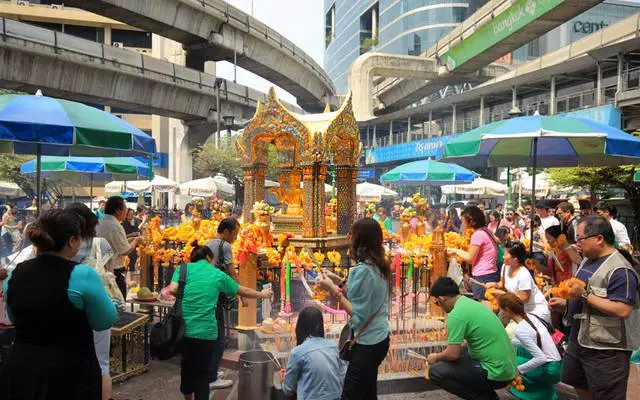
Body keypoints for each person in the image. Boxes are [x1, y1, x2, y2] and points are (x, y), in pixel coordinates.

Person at [1, 209, 117, 400]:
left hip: (20, 369)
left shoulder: (16, 273)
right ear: (72, 241)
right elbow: (105, 320)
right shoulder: (83, 274)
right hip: (69, 374)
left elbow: (13, 317)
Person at [548, 216, 640, 400]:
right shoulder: (588, 261)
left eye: (580, 238)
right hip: (579, 339)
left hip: (605, 349)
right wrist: (566, 305)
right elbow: (587, 299)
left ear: (599, 238)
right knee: (576, 380)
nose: (576, 244)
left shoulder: (621, 270)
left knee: (608, 394)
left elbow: (622, 310)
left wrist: (583, 295)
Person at [166, 242, 272, 400]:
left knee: (187, 367)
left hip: (184, 330)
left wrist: (185, 299)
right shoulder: (217, 274)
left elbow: (173, 289)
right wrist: (263, 294)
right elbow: (242, 290)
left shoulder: (182, 269)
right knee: (203, 374)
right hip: (206, 332)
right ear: (208, 257)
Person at [319, 218, 390, 400]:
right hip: (380, 337)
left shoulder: (361, 270)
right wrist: (339, 281)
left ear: (360, 240)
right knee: (367, 390)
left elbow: (358, 315)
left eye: (352, 234)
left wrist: (334, 291)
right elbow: (364, 295)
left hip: (367, 343)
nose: (349, 237)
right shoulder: (379, 265)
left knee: (350, 394)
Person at [426, 277, 517, 399]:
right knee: (458, 353)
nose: (440, 307)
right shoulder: (473, 304)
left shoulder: (456, 314)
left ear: (442, 299)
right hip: (509, 368)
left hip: (497, 373)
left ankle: (484, 397)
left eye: (437, 303)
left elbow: (453, 354)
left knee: (436, 371)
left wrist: (436, 357)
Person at [65, 203, 117, 400]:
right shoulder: (99, 244)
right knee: (101, 362)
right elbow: (110, 274)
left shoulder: (40, 260)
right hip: (96, 305)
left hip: (65, 311)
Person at [499, 294, 562, 400]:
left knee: (510, 363)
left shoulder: (520, 330)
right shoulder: (531, 316)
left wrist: (517, 371)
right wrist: (508, 342)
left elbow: (540, 358)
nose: (501, 313)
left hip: (550, 369)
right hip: (557, 365)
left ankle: (531, 395)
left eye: (501, 310)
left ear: (507, 310)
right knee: (518, 351)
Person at [205, 218, 243, 390]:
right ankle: (211, 378)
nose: (236, 237)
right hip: (217, 295)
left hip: (207, 294)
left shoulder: (207, 244)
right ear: (226, 232)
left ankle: (210, 371)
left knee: (212, 335)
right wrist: (241, 294)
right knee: (220, 338)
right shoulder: (225, 246)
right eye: (235, 233)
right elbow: (232, 272)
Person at [282, 307, 346, 400]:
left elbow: (288, 390)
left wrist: (283, 379)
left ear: (300, 327)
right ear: (320, 326)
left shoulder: (298, 352)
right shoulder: (334, 347)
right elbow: (342, 378)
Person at [486, 242, 551, 323]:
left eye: (506, 254)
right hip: (517, 309)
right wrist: (494, 285)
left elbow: (524, 298)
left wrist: (503, 295)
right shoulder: (505, 266)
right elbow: (502, 283)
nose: (503, 256)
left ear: (515, 258)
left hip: (534, 311)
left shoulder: (523, 274)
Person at [447, 206, 499, 300]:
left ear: (472, 221)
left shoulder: (478, 234)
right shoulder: (487, 231)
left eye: (464, 221)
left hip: (483, 276)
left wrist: (455, 250)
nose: (463, 224)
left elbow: (470, 258)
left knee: (481, 305)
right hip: (491, 273)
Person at [96, 196, 143, 299]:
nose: (126, 212)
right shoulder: (115, 225)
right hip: (113, 272)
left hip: (100, 269)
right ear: (118, 210)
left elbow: (113, 243)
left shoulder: (100, 222)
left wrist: (128, 240)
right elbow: (125, 250)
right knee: (118, 302)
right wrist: (136, 240)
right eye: (125, 208)